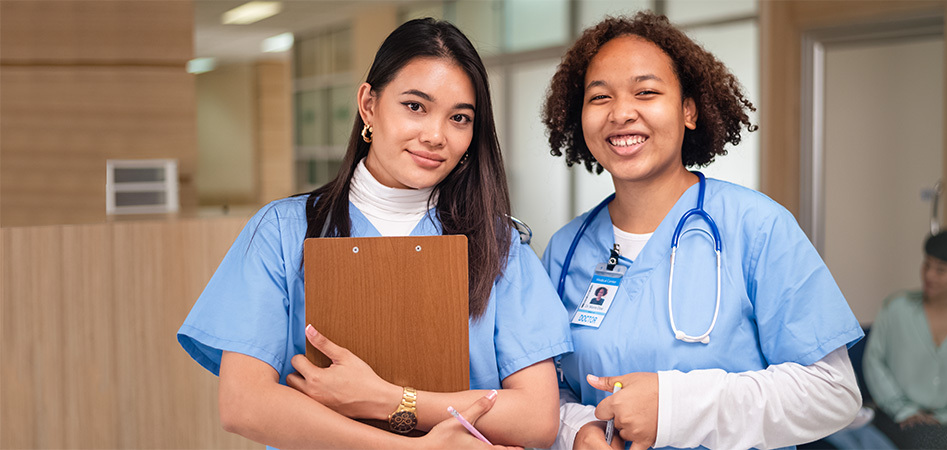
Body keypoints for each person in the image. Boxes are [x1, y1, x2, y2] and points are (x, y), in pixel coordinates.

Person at [177, 18, 571, 449]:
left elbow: (535, 417)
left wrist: (386, 399)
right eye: (415, 106)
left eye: (459, 117)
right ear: (368, 104)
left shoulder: (500, 246)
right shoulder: (283, 232)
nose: (435, 136)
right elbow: (244, 404)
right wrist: (416, 448)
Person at [540, 12, 864, 450]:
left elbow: (834, 392)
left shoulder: (757, 227)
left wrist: (676, 408)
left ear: (688, 110)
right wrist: (578, 428)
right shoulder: (565, 250)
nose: (620, 113)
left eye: (646, 92)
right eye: (599, 98)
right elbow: (546, 388)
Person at [863, 229, 947, 449]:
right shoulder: (896, 308)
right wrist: (904, 410)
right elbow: (874, 362)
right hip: (899, 418)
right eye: (927, 265)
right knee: (925, 441)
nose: (929, 275)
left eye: (941, 270)